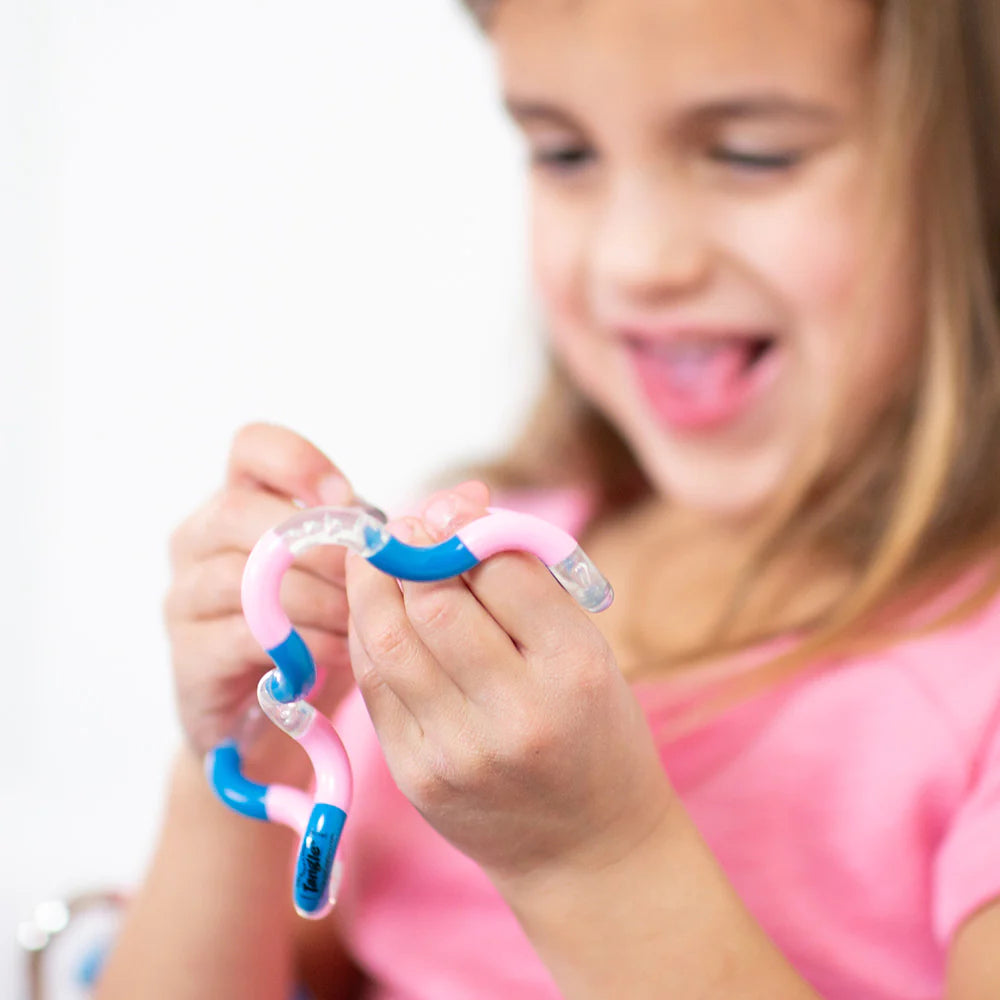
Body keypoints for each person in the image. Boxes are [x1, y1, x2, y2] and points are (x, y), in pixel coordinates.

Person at [94, 0, 1000, 997]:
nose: (635, 261)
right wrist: (238, 764)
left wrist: (594, 861)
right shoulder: (468, 598)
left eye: (751, 154)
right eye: (566, 154)